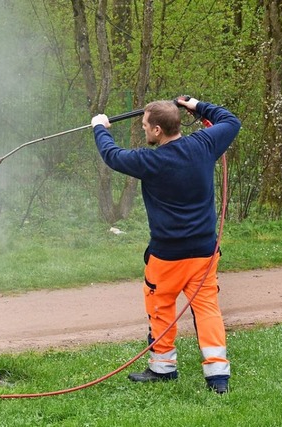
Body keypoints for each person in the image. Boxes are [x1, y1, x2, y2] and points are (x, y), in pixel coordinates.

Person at [91, 97, 241, 394]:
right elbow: (231, 120)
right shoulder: (204, 145)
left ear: (157, 130)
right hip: (204, 253)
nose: (144, 129)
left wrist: (100, 127)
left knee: (161, 307)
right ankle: (218, 379)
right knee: (207, 310)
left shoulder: (151, 161)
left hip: (167, 256)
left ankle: (163, 369)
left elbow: (111, 155)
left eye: (145, 125)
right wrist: (197, 105)